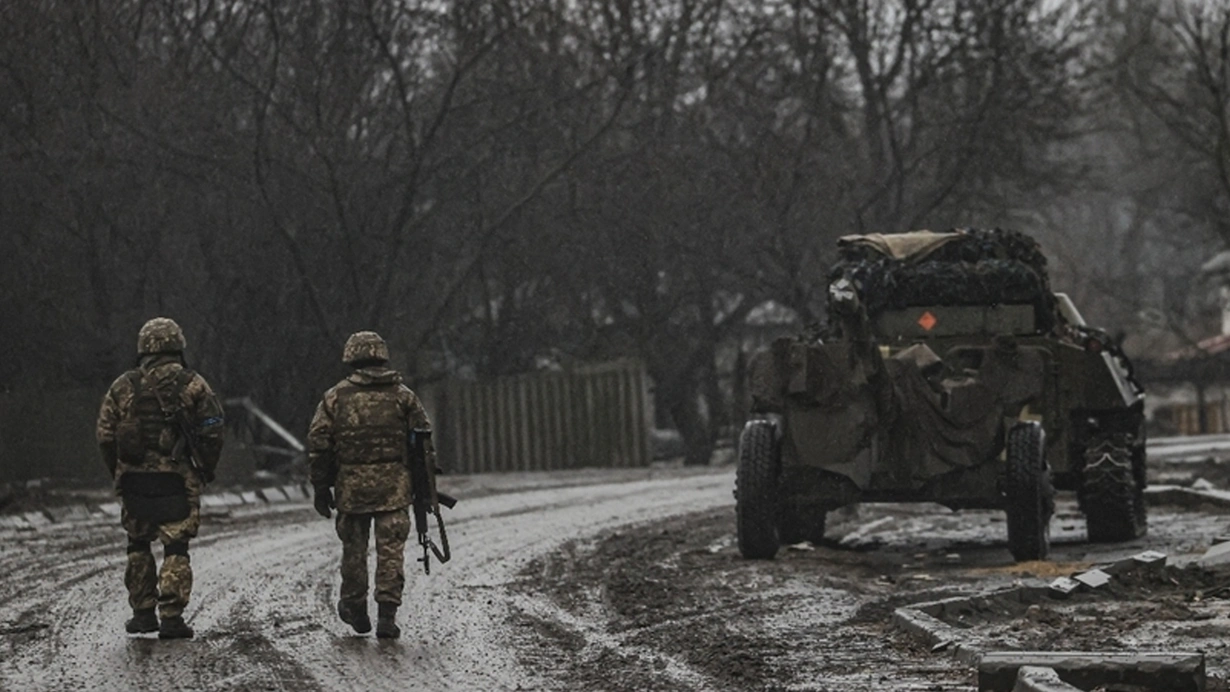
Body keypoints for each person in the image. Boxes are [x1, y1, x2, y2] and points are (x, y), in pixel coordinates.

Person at [96, 317, 224, 639]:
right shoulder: (193, 384)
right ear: (178, 346)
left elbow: (105, 435)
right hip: (177, 481)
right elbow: (213, 429)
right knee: (175, 546)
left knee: (137, 543)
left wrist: (119, 472)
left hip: (134, 480)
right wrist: (204, 466)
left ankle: (141, 614)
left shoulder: (123, 385)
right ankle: (171, 617)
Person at [307, 331, 434, 639]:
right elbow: (423, 445)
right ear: (382, 356)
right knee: (391, 551)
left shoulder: (335, 397)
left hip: (352, 488)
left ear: (351, 358)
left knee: (354, 550)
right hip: (394, 487)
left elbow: (319, 444)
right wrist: (425, 487)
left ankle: (355, 607)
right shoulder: (404, 396)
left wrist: (321, 487)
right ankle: (387, 616)